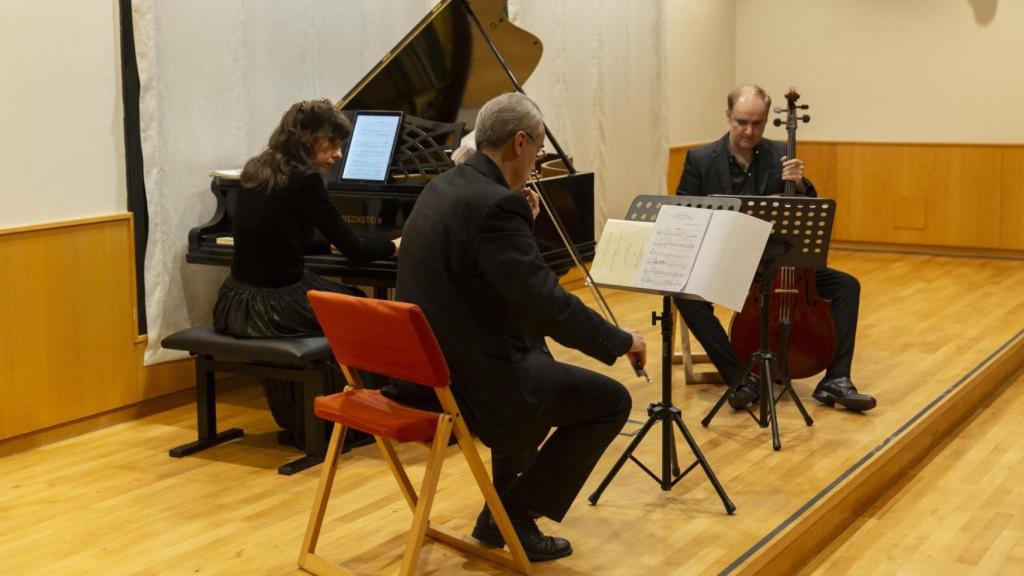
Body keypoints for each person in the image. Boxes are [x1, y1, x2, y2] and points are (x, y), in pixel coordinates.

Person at [385, 92, 647, 561]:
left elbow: (492, 280)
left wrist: (520, 223)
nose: (536, 163)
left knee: (537, 355)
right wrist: (621, 339)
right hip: (468, 380)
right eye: (539, 152)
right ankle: (510, 512)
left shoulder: (443, 186)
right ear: (519, 142)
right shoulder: (495, 207)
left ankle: (503, 517)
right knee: (610, 401)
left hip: (425, 369)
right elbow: (547, 303)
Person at [674, 84, 875, 412]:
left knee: (846, 286)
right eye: (741, 122)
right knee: (685, 294)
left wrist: (800, 185)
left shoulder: (781, 152)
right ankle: (739, 377)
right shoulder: (700, 159)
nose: (748, 131)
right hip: (729, 266)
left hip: (780, 267)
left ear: (767, 121)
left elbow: (807, 211)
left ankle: (836, 379)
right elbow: (686, 212)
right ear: (728, 116)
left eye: (757, 123)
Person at [213, 98, 400, 447]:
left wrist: (319, 246)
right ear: (306, 137)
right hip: (275, 305)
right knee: (361, 308)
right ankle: (355, 422)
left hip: (237, 299)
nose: (339, 154)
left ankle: (302, 420)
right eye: (332, 143)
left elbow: (275, 236)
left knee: (347, 306)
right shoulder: (305, 180)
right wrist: (396, 245)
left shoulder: (258, 168)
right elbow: (357, 251)